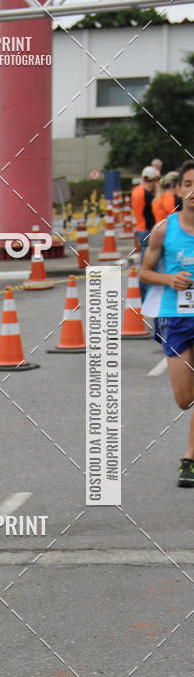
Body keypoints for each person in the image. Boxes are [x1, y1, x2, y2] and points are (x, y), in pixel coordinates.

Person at [140, 160, 194, 486]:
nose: (193, 191)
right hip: (175, 317)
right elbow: (144, 273)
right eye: (188, 184)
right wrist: (169, 278)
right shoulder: (164, 229)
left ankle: (190, 457)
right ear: (179, 189)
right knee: (184, 398)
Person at [132, 165, 160, 300]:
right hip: (147, 229)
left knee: (145, 263)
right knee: (148, 265)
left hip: (139, 229)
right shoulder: (148, 194)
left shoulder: (136, 190)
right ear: (154, 180)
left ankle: (144, 295)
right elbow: (152, 212)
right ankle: (144, 296)